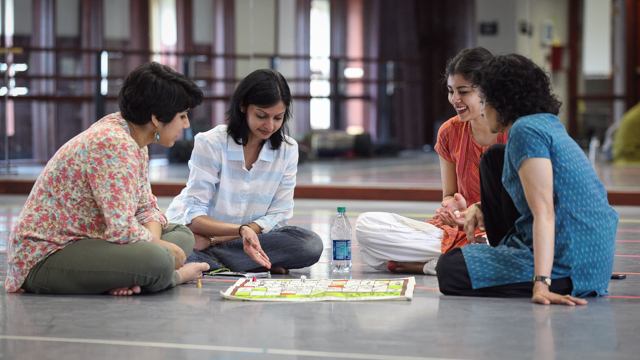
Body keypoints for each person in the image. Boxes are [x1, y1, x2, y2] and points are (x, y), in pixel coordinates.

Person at [6, 62, 210, 295]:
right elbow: (121, 229)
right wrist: (156, 248)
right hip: (45, 258)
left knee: (180, 236)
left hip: (91, 239)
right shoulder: (113, 142)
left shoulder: (135, 138)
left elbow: (146, 206)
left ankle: (123, 276)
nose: (186, 124)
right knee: (160, 258)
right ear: (156, 118)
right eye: (182, 116)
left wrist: (155, 241)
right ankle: (172, 277)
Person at [436, 54, 619, 305]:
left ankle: (533, 271)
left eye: (485, 100)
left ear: (500, 102)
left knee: (449, 268)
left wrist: (541, 283)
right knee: (494, 158)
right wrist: (480, 205)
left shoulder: (524, 131)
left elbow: (544, 212)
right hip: (589, 259)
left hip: (571, 266)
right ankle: (511, 255)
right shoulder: (545, 123)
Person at [355, 47, 510, 275]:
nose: (455, 99)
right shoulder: (449, 132)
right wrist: (456, 208)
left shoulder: (515, 130)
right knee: (367, 225)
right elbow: (449, 195)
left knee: (505, 245)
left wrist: (482, 214)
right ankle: (459, 261)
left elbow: (523, 207)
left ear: (489, 89)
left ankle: (433, 265)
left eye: (463, 91)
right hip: (459, 231)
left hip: (499, 231)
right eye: (450, 91)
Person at [165, 69, 323, 274]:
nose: (270, 125)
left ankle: (215, 264)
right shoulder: (211, 143)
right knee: (180, 246)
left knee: (310, 244)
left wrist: (221, 238)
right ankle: (248, 261)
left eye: (278, 118)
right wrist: (241, 232)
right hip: (195, 237)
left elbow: (279, 213)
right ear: (242, 106)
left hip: (220, 241)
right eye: (261, 116)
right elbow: (194, 217)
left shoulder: (288, 149)